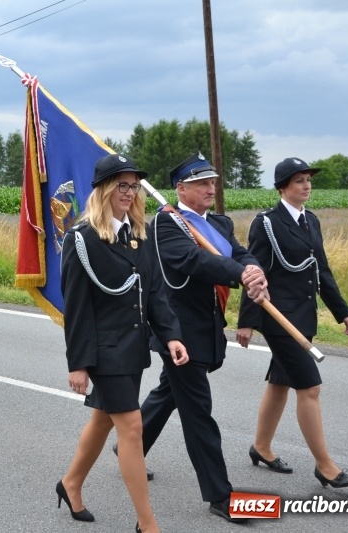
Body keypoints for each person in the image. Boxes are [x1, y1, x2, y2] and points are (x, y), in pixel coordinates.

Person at [58, 155, 188, 533]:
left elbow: (156, 293)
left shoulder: (139, 234)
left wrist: (172, 335)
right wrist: (78, 363)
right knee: (131, 428)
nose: (129, 193)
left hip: (133, 348)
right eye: (122, 185)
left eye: (134, 186)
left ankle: (70, 484)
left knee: (103, 419)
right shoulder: (81, 239)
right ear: (104, 190)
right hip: (103, 349)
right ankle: (147, 523)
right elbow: (77, 306)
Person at [138, 153, 268, 523]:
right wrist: (240, 275)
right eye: (202, 183)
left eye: (212, 182)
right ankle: (220, 496)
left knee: (168, 394)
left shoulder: (220, 224)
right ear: (181, 189)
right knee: (199, 414)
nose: (211, 188)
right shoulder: (167, 225)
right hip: (178, 331)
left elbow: (241, 254)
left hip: (206, 327)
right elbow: (194, 262)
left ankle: (131, 447)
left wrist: (253, 269)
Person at [236, 157, 348, 488]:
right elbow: (253, 272)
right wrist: (246, 321)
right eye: (298, 181)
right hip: (279, 320)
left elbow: (322, 271)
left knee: (279, 383)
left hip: (304, 316)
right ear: (282, 188)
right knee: (310, 387)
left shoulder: (312, 221)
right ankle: (326, 465)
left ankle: (261, 447)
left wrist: (342, 310)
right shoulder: (266, 224)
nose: (306, 186)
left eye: (308, 180)